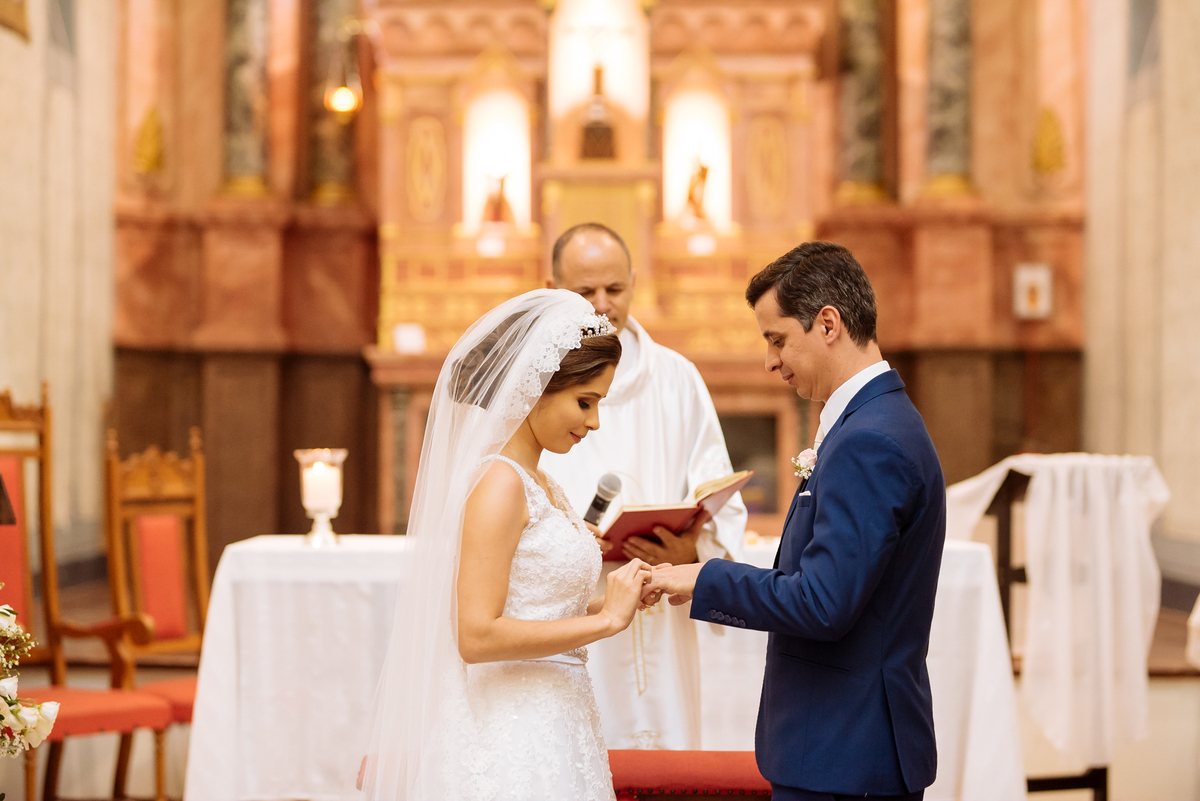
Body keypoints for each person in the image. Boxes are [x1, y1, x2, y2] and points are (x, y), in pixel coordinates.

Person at [645, 241, 946, 801]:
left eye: (777, 339)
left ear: (828, 324)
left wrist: (705, 576)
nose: (770, 361)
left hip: (846, 754)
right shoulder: (873, 421)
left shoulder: (870, 440)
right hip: (846, 745)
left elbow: (823, 603)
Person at [357, 289, 651, 800]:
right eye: (586, 402)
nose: (594, 422)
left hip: (559, 719)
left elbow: (535, 605)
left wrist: (618, 599)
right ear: (537, 387)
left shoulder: (543, 484)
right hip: (509, 731)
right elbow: (476, 636)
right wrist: (605, 622)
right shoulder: (499, 482)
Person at [540, 223, 746, 750]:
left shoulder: (676, 378)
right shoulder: (534, 382)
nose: (602, 305)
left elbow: (719, 494)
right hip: (571, 612)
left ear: (634, 282)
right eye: (585, 292)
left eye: (615, 289)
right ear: (552, 287)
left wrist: (692, 550)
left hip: (662, 604)